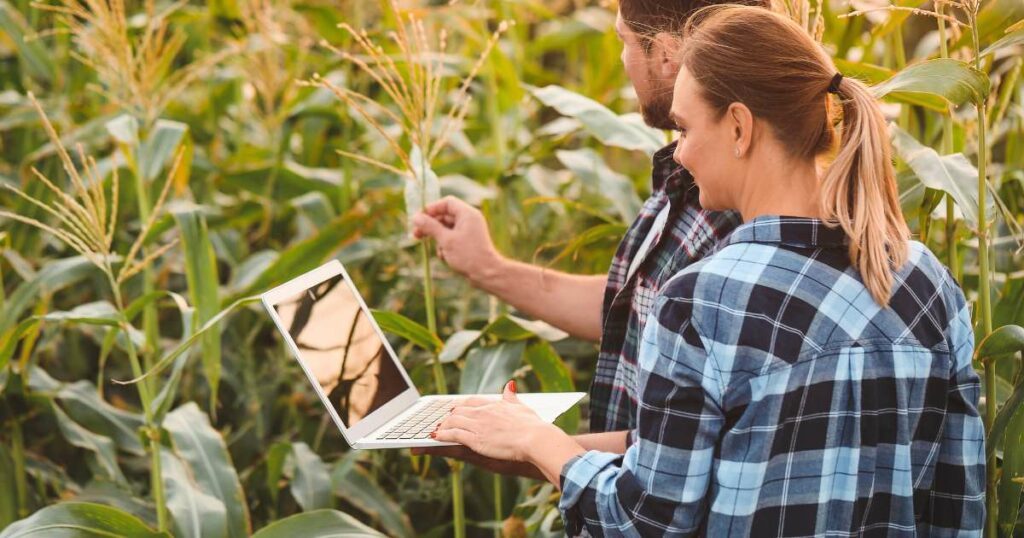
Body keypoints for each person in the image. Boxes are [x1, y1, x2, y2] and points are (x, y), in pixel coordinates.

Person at [432, 6, 986, 536]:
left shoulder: (702, 301)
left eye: (685, 128)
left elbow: (642, 523)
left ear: (740, 127)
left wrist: (537, 442)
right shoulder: (928, 283)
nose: (680, 153)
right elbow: (959, 507)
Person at [410, 0, 765, 475]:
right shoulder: (690, 175)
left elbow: (686, 448)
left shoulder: (735, 206)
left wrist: (523, 445)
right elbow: (637, 311)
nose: (622, 60)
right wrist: (487, 267)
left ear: (663, 54)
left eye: (622, 41)